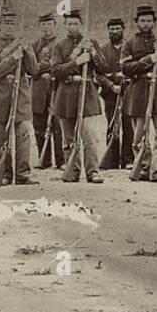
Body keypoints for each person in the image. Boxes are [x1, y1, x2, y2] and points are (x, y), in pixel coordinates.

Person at [121, 5, 157, 183]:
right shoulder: (129, 43)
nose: (146, 24)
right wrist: (147, 60)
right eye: (142, 20)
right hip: (139, 90)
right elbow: (125, 68)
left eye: (149, 20)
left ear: (154, 22)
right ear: (137, 22)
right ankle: (144, 167)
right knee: (140, 135)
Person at [50, 9, 107, 183]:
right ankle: (72, 170)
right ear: (65, 25)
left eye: (76, 23)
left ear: (80, 25)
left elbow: (104, 68)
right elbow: (56, 71)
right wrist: (77, 61)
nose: (73, 27)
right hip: (66, 95)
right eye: (70, 23)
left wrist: (93, 54)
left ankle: (92, 171)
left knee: (89, 135)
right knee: (68, 138)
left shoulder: (91, 43)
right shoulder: (59, 46)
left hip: (87, 93)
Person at [0, 7, 39, 185]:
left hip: (20, 94)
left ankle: (23, 173)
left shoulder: (24, 44)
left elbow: (34, 70)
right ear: (0, 25)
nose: (9, 27)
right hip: (0, 97)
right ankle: (6, 172)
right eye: (6, 24)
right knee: (1, 137)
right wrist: (13, 59)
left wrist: (27, 52)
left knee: (23, 135)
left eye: (13, 24)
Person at [32, 12, 62, 168]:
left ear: (55, 26)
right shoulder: (34, 45)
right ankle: (43, 159)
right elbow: (31, 68)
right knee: (39, 126)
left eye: (50, 24)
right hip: (38, 90)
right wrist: (45, 67)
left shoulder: (61, 44)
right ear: (39, 26)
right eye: (43, 24)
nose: (47, 28)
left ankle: (60, 160)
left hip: (56, 88)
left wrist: (44, 68)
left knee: (58, 126)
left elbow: (60, 66)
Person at [98, 17, 129, 166]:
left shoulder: (130, 47)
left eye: (117, 28)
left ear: (123, 29)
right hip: (110, 94)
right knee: (112, 125)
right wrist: (111, 85)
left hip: (129, 92)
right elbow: (98, 74)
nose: (114, 32)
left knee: (129, 125)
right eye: (111, 29)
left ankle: (129, 159)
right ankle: (111, 159)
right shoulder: (103, 50)